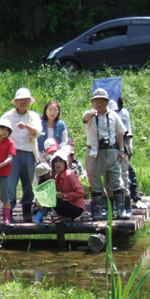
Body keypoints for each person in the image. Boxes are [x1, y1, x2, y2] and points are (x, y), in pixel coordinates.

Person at [83, 87, 129, 220]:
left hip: (111, 151)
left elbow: (120, 132)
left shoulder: (114, 115)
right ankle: (97, 211)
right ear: (92, 103)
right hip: (94, 151)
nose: (99, 104)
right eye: (96, 101)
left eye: (102, 101)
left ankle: (120, 210)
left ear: (106, 102)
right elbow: (85, 119)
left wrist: (121, 150)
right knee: (95, 181)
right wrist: (90, 114)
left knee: (116, 179)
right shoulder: (90, 114)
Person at [0, 88, 42, 222]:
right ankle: (9, 211)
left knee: (28, 184)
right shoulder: (8, 116)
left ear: (29, 101)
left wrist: (27, 126)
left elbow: (38, 132)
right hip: (12, 154)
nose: (23, 102)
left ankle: (27, 210)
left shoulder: (33, 116)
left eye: (26, 100)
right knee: (10, 184)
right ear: (16, 101)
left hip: (29, 153)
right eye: (21, 100)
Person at [51, 150, 86, 221]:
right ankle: (65, 216)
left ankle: (69, 216)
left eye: (61, 161)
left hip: (77, 208)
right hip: (67, 203)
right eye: (56, 161)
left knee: (55, 200)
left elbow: (81, 193)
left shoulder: (70, 175)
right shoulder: (57, 177)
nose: (58, 164)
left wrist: (64, 195)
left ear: (65, 164)